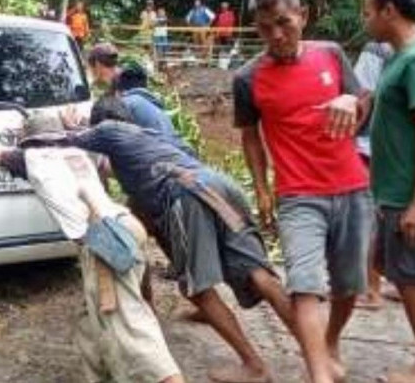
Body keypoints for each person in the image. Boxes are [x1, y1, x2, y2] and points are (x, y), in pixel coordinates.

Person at [61, 97, 294, 383]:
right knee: (260, 274)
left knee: (197, 290)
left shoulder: (110, 131)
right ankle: (318, 353)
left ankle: (254, 366)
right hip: (217, 185)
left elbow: (63, 140)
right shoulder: (151, 140)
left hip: (187, 194)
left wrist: (67, 125)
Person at [0, 111, 186, 383]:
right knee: (90, 322)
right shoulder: (80, 152)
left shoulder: (31, 158)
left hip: (104, 241)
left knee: (133, 331)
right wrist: (74, 125)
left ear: (28, 140)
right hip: (127, 225)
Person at [233, 0, 372, 383]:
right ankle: (319, 376)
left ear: (303, 16)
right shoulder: (247, 78)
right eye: (264, 28)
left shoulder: (330, 54)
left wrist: (352, 100)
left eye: (283, 23)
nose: (276, 35)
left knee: (348, 286)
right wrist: (260, 188)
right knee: (304, 285)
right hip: (297, 196)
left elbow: (362, 100)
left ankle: (330, 342)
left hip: (352, 187)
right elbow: (249, 135)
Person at [362, 0, 415, 383]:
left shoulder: (413, 60)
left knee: (409, 278)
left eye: (369, 11)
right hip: (391, 191)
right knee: (394, 268)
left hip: (404, 194)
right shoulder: (396, 57)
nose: (365, 20)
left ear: (389, 11)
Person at [353, 41, 396, 310]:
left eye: (370, 13)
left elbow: (363, 96)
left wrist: (347, 135)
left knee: (369, 217)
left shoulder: (378, 50)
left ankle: (371, 288)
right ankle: (396, 281)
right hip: (400, 150)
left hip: (373, 146)